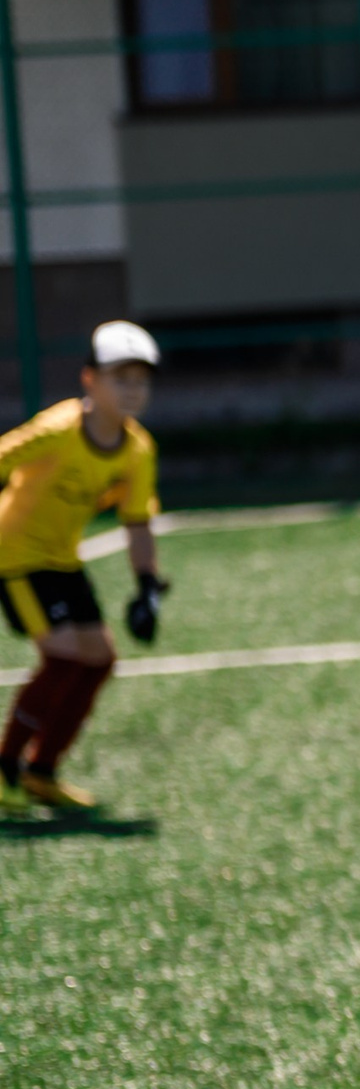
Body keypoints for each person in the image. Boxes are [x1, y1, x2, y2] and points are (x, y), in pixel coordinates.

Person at [0, 320, 171, 814]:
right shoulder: (56, 430)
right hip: (14, 556)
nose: (133, 390)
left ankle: (42, 772)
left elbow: (138, 522)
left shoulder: (138, 449)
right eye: (122, 378)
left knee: (99, 659)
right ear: (89, 380)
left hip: (61, 560)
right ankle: (6, 766)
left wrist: (147, 587)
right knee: (63, 658)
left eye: (141, 380)